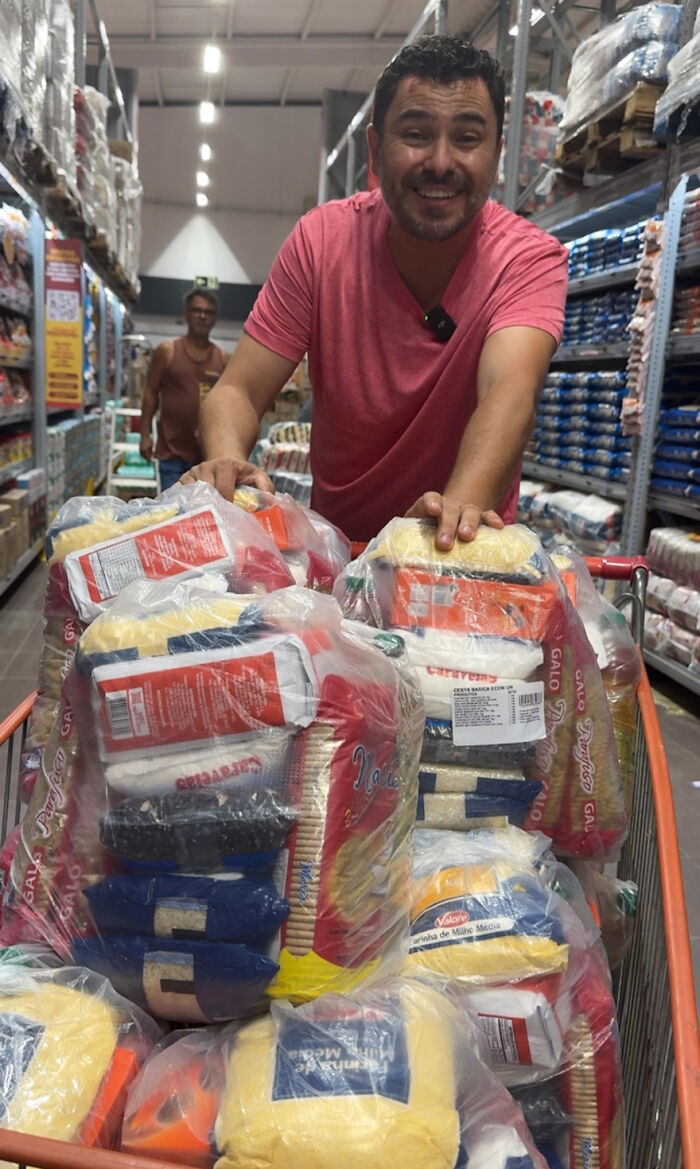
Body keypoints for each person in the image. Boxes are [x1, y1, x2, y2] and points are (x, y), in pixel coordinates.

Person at [181, 35, 569, 548]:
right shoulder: (322, 243)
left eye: (468, 139)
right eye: (415, 133)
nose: (440, 161)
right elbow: (237, 390)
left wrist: (455, 515)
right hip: (339, 564)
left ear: (497, 154)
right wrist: (228, 456)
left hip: (460, 561)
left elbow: (509, 392)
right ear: (374, 149)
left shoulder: (528, 259)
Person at [139, 288, 228, 492]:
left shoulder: (222, 359)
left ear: (214, 319)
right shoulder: (167, 351)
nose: (202, 316)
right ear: (186, 314)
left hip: (207, 458)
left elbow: (225, 404)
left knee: (202, 518)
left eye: (208, 312)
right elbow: (151, 392)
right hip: (171, 454)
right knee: (172, 515)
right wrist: (145, 434)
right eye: (197, 310)